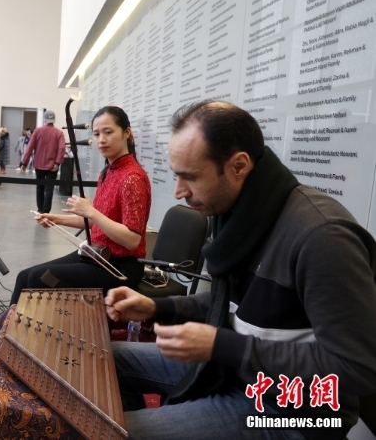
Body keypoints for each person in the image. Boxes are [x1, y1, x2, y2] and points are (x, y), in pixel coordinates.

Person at [106, 101, 376, 440]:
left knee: (110, 432)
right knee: (105, 362)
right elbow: (232, 305)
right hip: (234, 372)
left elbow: (357, 369)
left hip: (291, 413)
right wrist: (158, 306)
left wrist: (226, 347)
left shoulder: (321, 237)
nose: (178, 191)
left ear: (238, 166)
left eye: (189, 176)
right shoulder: (237, 215)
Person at [9, 106, 151, 305]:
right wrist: (55, 219)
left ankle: (44, 333)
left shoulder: (132, 177)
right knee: (24, 276)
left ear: (127, 133)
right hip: (97, 254)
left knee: (38, 278)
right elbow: (97, 223)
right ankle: (5, 333)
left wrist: (91, 211)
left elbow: (132, 240)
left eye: (108, 132)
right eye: (96, 134)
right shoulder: (108, 171)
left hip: (120, 267)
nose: (101, 139)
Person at [20, 110, 65, 213]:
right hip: (52, 166)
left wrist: (24, 163)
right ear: (54, 120)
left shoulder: (37, 131)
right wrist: (57, 163)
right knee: (49, 188)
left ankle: (40, 209)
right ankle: (46, 211)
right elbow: (62, 148)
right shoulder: (59, 133)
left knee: (39, 187)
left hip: (39, 164)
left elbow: (30, 147)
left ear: (45, 119)